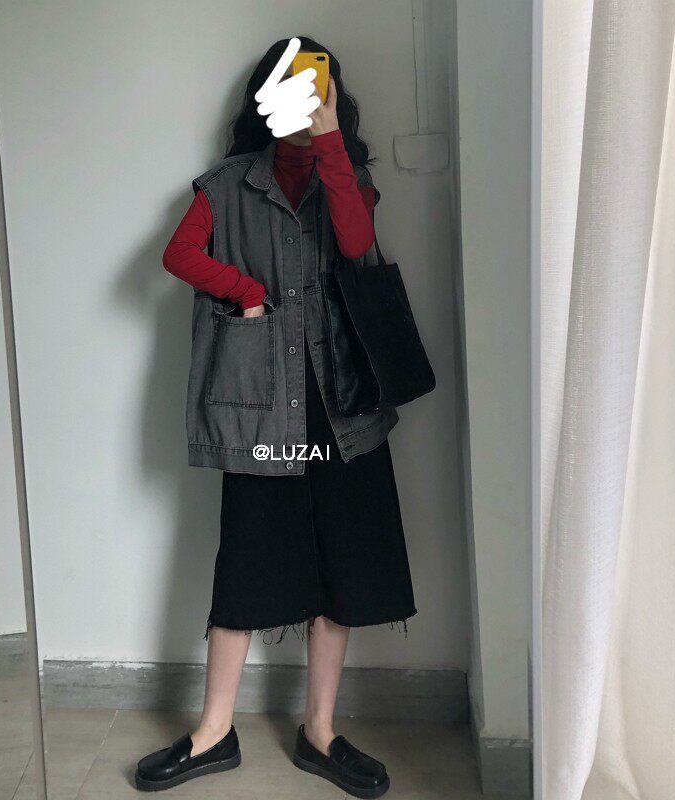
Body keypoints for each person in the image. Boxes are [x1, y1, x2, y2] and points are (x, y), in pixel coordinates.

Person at [134, 37, 416, 798]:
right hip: (263, 405)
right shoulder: (227, 184)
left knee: (342, 563)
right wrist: (246, 290)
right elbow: (178, 254)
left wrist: (329, 143)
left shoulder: (346, 177)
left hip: (343, 405)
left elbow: (356, 245)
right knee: (248, 559)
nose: (301, 102)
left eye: (314, 89)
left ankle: (320, 731)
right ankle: (213, 732)